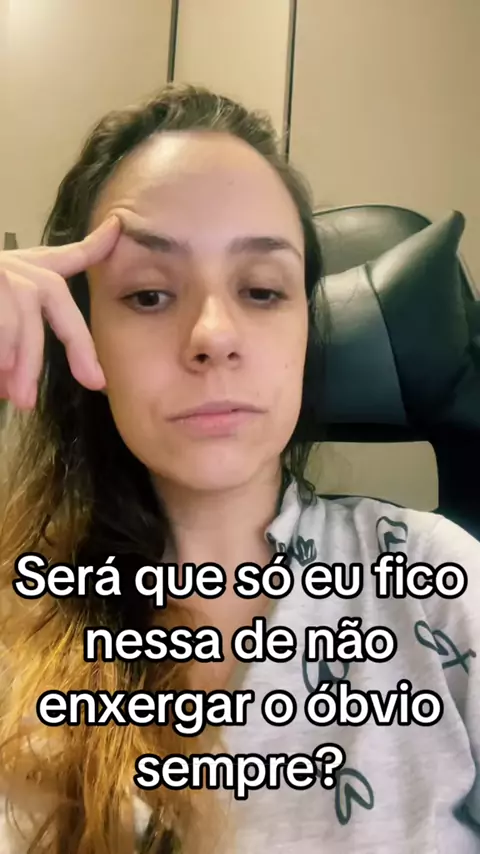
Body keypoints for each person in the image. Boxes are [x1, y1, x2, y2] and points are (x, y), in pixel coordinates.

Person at [0, 82, 479, 854]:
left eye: (262, 290)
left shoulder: (439, 585)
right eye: (148, 295)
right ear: (82, 334)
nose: (214, 334)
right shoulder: (15, 621)